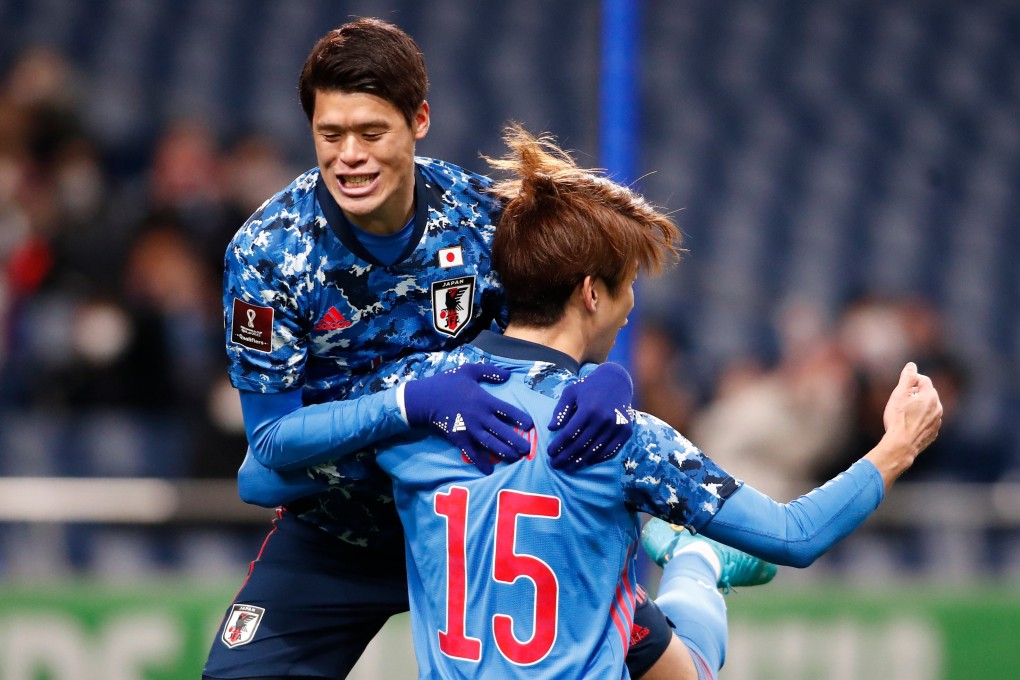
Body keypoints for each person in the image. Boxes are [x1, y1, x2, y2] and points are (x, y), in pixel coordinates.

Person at [324, 125, 943, 678]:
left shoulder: (414, 397)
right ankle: (697, 562)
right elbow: (795, 535)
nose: (629, 311)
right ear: (592, 294)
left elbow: (276, 459)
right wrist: (896, 447)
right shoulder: (619, 435)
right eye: (627, 290)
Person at [205, 18, 637, 680]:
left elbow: (580, 307)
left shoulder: (482, 215)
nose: (350, 155)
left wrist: (606, 379)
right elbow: (271, 447)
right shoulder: (267, 254)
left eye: (372, 133)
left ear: (420, 121)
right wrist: (408, 404)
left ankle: (695, 572)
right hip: (338, 536)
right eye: (331, 134)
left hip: (480, 522)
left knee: (661, 661)